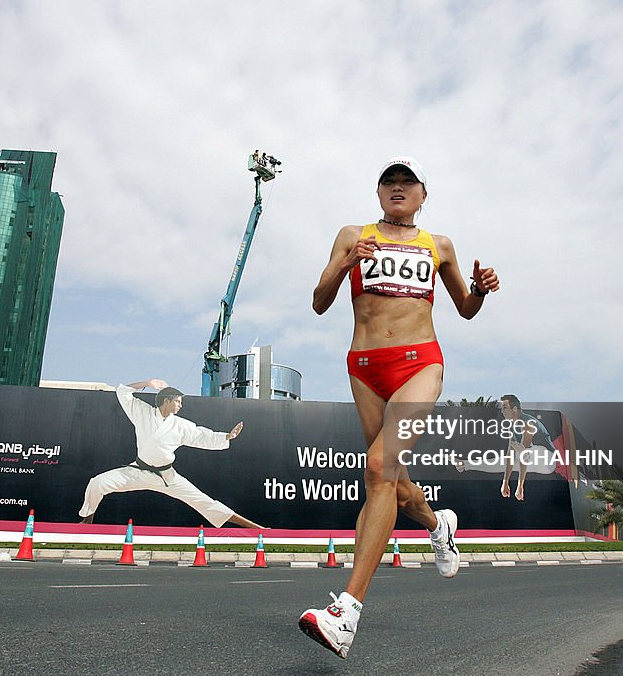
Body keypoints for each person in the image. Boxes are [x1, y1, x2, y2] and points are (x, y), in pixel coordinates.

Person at [299, 157, 499, 658]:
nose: (398, 189)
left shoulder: (440, 245)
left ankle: (346, 613)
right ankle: (438, 526)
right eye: (389, 183)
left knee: (378, 467)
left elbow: (466, 309)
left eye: (407, 183)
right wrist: (347, 262)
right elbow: (320, 301)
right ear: (378, 192)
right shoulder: (352, 234)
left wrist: (479, 290)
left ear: (423, 195)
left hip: (419, 362)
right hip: (364, 365)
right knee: (390, 478)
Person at [78, 378, 264, 529]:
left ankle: (254, 527)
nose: (180, 405)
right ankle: (88, 520)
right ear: (166, 401)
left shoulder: (180, 425)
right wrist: (147, 383)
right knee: (97, 483)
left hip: (167, 476)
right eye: (177, 401)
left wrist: (227, 437)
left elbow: (201, 435)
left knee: (202, 500)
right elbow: (123, 392)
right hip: (137, 471)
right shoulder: (142, 412)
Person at [499, 394, 555, 501]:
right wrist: (505, 482)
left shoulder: (528, 423)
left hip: (549, 459)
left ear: (514, 408)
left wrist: (520, 487)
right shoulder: (512, 426)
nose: (502, 411)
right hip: (534, 460)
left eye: (504, 407)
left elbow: (524, 455)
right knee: (512, 453)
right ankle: (466, 464)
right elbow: (510, 455)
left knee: (521, 450)